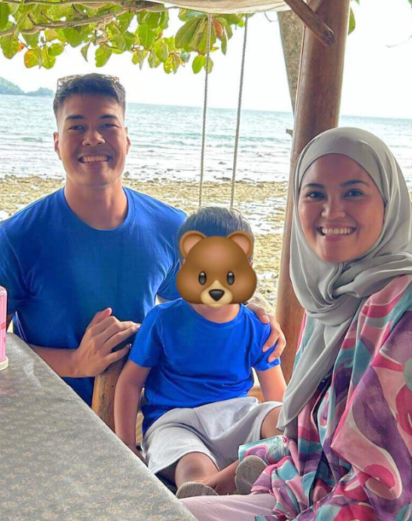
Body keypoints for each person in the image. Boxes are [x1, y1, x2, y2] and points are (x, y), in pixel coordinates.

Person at [182, 127, 412, 520]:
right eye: (314, 194)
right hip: (327, 492)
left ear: (388, 202)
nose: (332, 210)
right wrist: (221, 480)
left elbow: (387, 494)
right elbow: (313, 439)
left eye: (354, 192)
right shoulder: (336, 297)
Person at [0, 74, 284, 407]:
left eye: (108, 125)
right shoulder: (16, 238)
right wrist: (74, 363)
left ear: (127, 140)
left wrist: (249, 311)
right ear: (57, 143)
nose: (93, 138)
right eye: (77, 127)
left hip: (144, 416)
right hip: (40, 412)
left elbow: (195, 307)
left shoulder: (172, 228)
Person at [114, 207, 287, 499]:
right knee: (192, 465)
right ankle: (225, 480)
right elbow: (130, 382)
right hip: (176, 421)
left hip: (236, 416)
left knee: (282, 419)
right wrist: (126, 445)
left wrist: (282, 426)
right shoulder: (163, 319)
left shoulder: (257, 326)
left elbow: (277, 396)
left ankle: (230, 477)